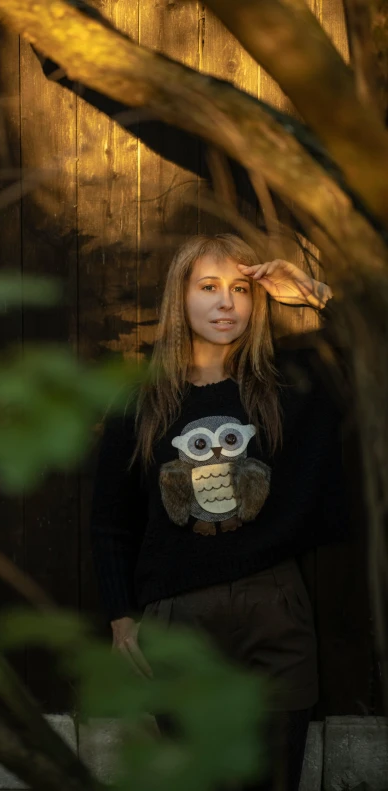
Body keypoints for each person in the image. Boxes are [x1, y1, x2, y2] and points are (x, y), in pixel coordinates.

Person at [89, 234, 352, 791]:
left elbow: (370, 352)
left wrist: (317, 298)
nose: (226, 302)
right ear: (180, 298)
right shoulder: (141, 400)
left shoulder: (288, 388)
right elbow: (111, 519)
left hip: (273, 608)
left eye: (240, 288)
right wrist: (120, 617)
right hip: (178, 619)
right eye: (208, 287)